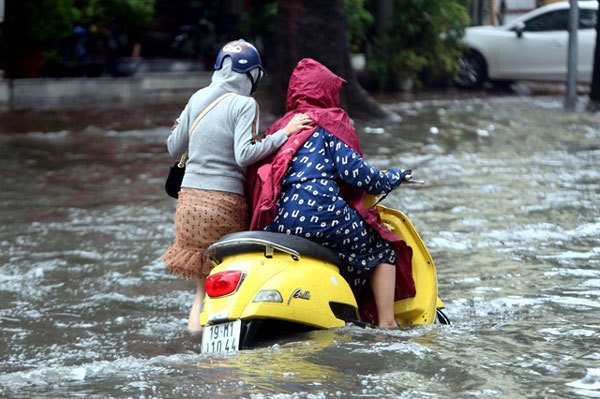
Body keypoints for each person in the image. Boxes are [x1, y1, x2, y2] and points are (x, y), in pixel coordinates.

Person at [247, 58, 415, 328]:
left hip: (280, 222)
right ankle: (387, 324)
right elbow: (360, 175)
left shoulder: (281, 128)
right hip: (324, 213)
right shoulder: (329, 123)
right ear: (326, 91)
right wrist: (393, 177)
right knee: (382, 247)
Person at [160, 40, 311, 332]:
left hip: (188, 206)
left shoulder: (197, 97)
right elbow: (245, 155)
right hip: (224, 206)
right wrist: (284, 134)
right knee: (231, 282)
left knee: (201, 292)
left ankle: (196, 341)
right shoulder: (245, 104)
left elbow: (172, 146)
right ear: (250, 75)